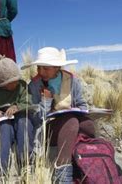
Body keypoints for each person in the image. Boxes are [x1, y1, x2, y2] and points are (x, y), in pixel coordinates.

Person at [21, 47, 95, 184]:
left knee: (88, 125)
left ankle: (86, 160)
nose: (41, 72)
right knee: (71, 121)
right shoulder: (34, 85)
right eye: (39, 68)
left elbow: (82, 104)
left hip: (70, 122)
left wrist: (78, 109)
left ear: (57, 67)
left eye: (46, 68)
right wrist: (46, 101)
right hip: (47, 129)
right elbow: (35, 119)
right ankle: (62, 176)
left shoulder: (72, 80)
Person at [0, 55, 33, 183]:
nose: (15, 83)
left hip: (20, 119)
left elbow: (29, 103)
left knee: (24, 122)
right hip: (4, 122)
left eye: (16, 80)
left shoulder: (22, 85)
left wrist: (17, 107)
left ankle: (27, 166)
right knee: (3, 127)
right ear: (1, 84)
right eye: (11, 82)